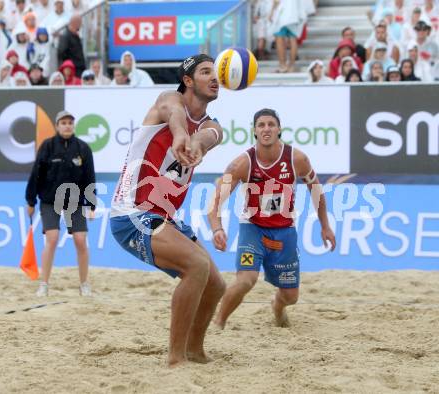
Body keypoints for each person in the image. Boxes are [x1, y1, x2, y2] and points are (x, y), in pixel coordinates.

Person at [110, 54, 225, 367]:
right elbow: (173, 112)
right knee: (197, 267)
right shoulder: (168, 100)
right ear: (188, 81)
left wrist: (197, 144)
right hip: (132, 214)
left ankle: (194, 350)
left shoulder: (213, 125)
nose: (215, 78)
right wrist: (178, 134)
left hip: (164, 217)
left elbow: (208, 136)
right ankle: (175, 359)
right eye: (205, 72)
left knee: (216, 285)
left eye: (216, 73)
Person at [208, 108, 336, 329]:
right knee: (246, 280)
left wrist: (325, 226)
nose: (266, 128)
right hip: (253, 229)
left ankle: (277, 307)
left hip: (284, 231)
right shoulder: (241, 164)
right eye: (261, 125)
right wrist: (217, 229)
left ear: (279, 129)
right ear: (255, 132)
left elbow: (317, 193)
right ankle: (217, 324)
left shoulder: (297, 159)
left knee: (291, 296)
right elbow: (215, 202)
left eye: (271, 124)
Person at [26, 111, 96, 297]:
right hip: (50, 201)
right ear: (57, 125)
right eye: (63, 122)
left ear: (73, 126)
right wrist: (30, 200)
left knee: (81, 240)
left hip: (75, 202)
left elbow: (90, 178)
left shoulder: (83, 148)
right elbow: (36, 174)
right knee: (52, 238)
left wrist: (92, 205)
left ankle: (84, 285)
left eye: (70, 123)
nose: (67, 126)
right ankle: (44, 284)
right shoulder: (47, 146)